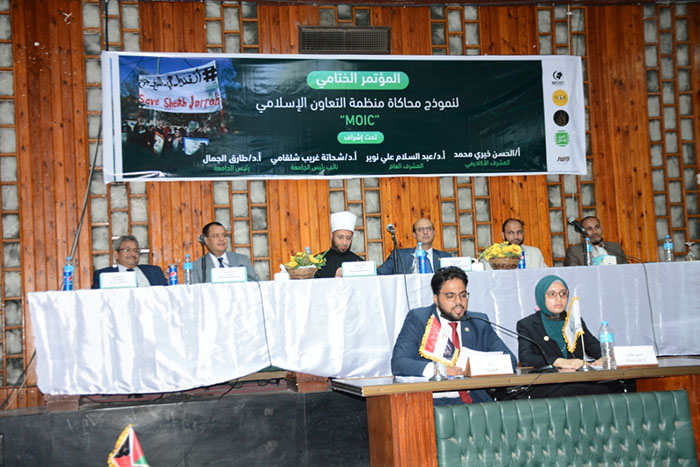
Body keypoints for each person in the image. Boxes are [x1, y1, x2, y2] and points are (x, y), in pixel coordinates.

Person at [392, 266, 517, 404]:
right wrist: (439, 370)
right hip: (432, 400)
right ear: (436, 298)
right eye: (450, 296)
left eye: (463, 295)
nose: (459, 302)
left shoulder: (478, 322)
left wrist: (474, 366)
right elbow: (399, 363)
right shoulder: (419, 319)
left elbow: (510, 360)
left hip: (473, 400)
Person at [516, 275, 612, 398]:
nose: (559, 299)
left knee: (621, 385)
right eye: (552, 294)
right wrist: (559, 362)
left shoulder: (574, 320)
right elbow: (526, 358)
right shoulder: (528, 324)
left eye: (563, 294)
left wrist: (603, 358)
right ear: (541, 297)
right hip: (549, 384)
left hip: (579, 380)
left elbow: (594, 347)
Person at [377, 218, 452, 275]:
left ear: (434, 232)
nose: (425, 232)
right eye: (420, 229)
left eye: (428, 229)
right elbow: (379, 274)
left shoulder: (445, 257)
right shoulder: (399, 256)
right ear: (414, 234)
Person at [192, 222, 259, 283]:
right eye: (216, 236)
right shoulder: (197, 266)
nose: (221, 239)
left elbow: (257, 285)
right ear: (206, 241)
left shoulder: (242, 260)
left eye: (224, 235)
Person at [91, 235, 168, 288]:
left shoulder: (154, 272)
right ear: (116, 254)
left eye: (135, 250)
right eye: (127, 250)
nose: (133, 254)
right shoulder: (104, 275)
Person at [315, 211, 363, 278]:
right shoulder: (317, 262)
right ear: (331, 235)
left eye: (348, 238)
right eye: (340, 237)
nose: (344, 242)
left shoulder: (360, 263)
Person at [483, 218, 547, 269]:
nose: (516, 237)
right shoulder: (491, 254)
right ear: (503, 235)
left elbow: (545, 276)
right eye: (511, 233)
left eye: (519, 232)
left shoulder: (535, 253)